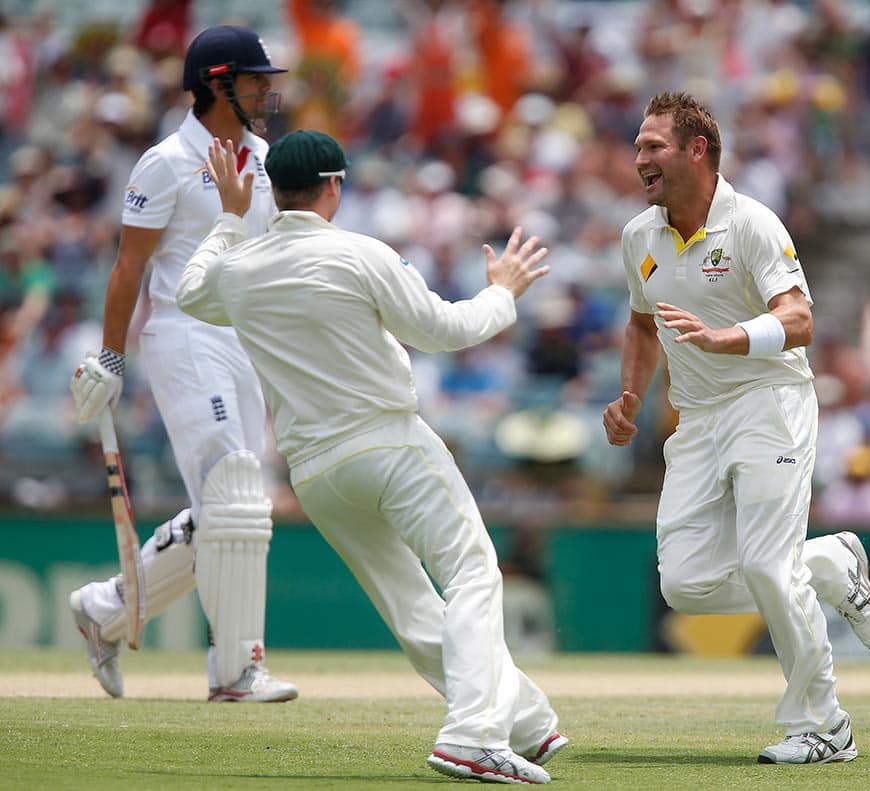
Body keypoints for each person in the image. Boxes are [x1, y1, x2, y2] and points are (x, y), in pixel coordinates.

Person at [176, 129, 565, 785]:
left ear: (273, 190)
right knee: (471, 571)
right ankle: (473, 733)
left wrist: (229, 217)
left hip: (317, 472)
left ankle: (524, 720)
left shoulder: (237, 270)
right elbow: (443, 330)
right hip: (389, 443)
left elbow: (190, 291)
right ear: (334, 185)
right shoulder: (359, 253)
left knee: (410, 600)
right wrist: (502, 290)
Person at [602, 91, 870, 765]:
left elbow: (799, 320)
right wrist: (629, 397)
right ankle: (828, 564)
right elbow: (644, 324)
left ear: (696, 150)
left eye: (653, 146)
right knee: (684, 583)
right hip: (698, 421)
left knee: (765, 561)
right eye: (638, 145)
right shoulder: (637, 236)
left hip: (769, 402)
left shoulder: (754, 223)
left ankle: (825, 726)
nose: (638, 157)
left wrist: (729, 337)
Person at [67, 25, 298, 704]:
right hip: (181, 334)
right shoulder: (165, 162)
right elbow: (129, 267)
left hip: (243, 343)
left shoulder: (264, 154)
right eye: (254, 78)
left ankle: (106, 610)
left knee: (239, 506)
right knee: (231, 490)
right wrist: (110, 358)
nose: (266, 88)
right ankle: (235, 671)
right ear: (215, 83)